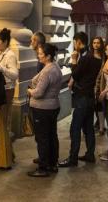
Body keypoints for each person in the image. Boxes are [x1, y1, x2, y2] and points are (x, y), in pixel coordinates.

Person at [59, 32, 101, 167]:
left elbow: (76, 75)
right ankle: (90, 154)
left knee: (75, 128)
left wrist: (73, 60)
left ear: (78, 42)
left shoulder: (85, 58)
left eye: (75, 42)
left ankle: (73, 158)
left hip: (82, 98)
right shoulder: (94, 57)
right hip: (89, 97)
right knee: (88, 127)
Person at [27, 43, 63, 177]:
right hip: (53, 106)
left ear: (48, 56)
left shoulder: (48, 70)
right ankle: (52, 163)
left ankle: (43, 167)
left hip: (42, 108)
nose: (38, 55)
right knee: (51, 135)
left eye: (41, 54)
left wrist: (30, 91)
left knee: (42, 138)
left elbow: (39, 92)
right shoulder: (55, 67)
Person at [0, 28, 19, 170]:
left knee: (2, 125)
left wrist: (1, 69)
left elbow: (14, 75)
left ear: (5, 42)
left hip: (6, 92)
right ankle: (8, 155)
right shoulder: (1, 54)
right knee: (1, 125)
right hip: (0, 91)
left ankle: (3, 161)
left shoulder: (10, 56)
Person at [91, 37, 106, 135]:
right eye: (94, 43)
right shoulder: (90, 56)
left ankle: (101, 127)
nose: (96, 45)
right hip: (91, 83)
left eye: (98, 43)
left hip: (101, 84)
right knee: (93, 106)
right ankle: (95, 125)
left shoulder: (104, 57)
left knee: (100, 106)